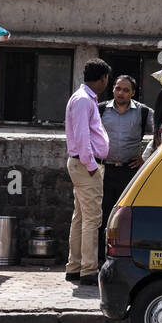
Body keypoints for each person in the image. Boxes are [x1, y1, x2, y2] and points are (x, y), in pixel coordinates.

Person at [98, 75, 154, 259]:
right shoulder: (100, 110)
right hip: (103, 171)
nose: (120, 93)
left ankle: (123, 258)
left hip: (129, 172)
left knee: (125, 215)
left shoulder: (143, 112)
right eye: (117, 88)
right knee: (102, 216)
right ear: (113, 89)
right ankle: (100, 258)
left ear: (133, 93)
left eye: (125, 90)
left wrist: (145, 157)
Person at [65, 59, 111, 286]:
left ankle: (75, 267)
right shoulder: (84, 100)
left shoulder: (83, 98)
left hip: (81, 164)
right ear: (102, 79)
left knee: (81, 218)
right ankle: (88, 270)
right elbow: (83, 138)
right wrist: (92, 167)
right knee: (92, 219)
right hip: (86, 165)